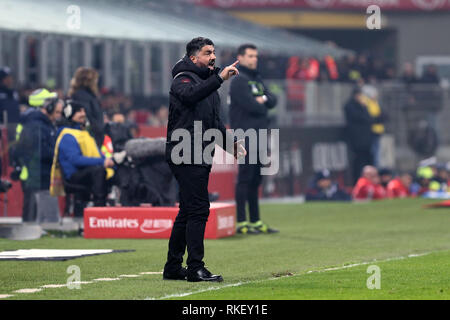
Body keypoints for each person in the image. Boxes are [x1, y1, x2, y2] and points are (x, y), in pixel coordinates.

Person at [163, 37, 244, 283]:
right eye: (208, 53)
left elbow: (214, 121)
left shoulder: (207, 84)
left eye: (214, 53)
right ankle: (196, 268)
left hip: (199, 151)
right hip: (184, 151)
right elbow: (190, 96)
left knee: (187, 210)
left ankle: (173, 267)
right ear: (193, 57)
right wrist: (219, 79)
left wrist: (229, 144)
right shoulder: (182, 79)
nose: (213, 58)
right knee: (199, 208)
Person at [229, 43, 278, 235]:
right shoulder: (238, 80)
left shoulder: (256, 78)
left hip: (259, 133)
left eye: (255, 56)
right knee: (245, 177)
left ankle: (255, 220)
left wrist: (263, 99)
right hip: (245, 134)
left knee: (256, 178)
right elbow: (251, 106)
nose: (254, 59)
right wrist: (262, 101)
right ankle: (241, 221)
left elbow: (273, 100)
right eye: (250, 56)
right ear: (240, 57)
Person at [50, 100, 115, 217]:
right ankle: (99, 211)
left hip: (87, 171)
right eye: (79, 111)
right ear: (70, 114)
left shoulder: (84, 133)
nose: (83, 114)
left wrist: (111, 161)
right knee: (98, 171)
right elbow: (75, 160)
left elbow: (96, 153)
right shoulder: (67, 135)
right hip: (74, 176)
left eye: (84, 111)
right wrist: (102, 161)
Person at [15, 89, 63, 222]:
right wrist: (59, 155)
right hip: (37, 173)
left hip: (38, 172)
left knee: (38, 213)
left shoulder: (40, 123)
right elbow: (40, 151)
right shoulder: (36, 125)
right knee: (37, 213)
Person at [68, 67, 105, 148]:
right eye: (95, 79)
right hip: (90, 138)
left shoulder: (87, 95)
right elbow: (87, 117)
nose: (97, 82)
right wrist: (99, 128)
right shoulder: (83, 96)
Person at [344, 87, 374, 184]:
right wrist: (362, 107)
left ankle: (369, 181)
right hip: (356, 140)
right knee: (357, 162)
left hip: (366, 140)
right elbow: (360, 118)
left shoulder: (363, 106)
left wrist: (364, 107)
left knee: (368, 161)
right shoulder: (349, 106)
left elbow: (369, 118)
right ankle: (357, 182)